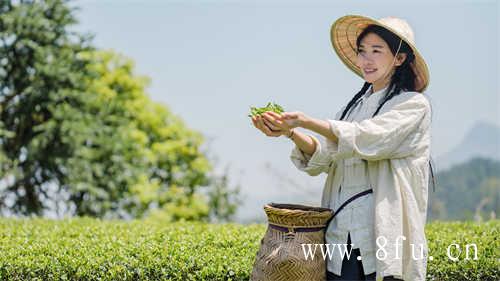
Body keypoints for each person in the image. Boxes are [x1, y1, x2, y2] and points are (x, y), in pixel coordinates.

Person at [250, 15, 435, 281]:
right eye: (362, 51)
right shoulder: (352, 109)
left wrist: (306, 120)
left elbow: (368, 137)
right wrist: (290, 132)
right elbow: (326, 158)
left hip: (379, 235)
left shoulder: (412, 105)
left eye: (376, 51)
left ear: (399, 59)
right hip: (341, 235)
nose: (366, 59)